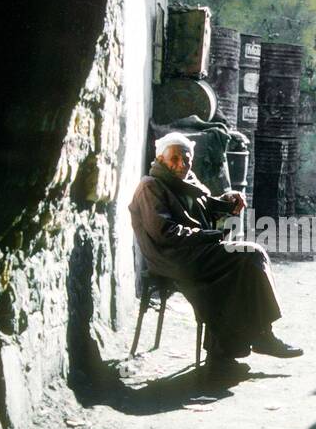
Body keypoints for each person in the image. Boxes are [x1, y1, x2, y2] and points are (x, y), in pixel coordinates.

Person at [128, 131, 302, 374]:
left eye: (186, 159)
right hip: (173, 257)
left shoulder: (187, 182)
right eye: (175, 159)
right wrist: (210, 236)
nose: (181, 165)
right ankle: (260, 337)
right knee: (251, 255)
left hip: (194, 250)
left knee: (244, 267)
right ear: (160, 159)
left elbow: (206, 207)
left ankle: (226, 352)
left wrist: (228, 200)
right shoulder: (151, 186)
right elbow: (165, 232)